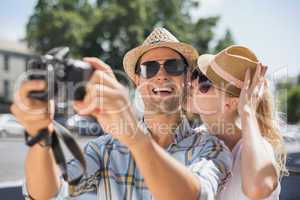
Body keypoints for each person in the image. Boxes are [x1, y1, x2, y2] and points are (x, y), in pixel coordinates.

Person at [11, 27, 232, 200]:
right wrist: (40, 133)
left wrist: (134, 137)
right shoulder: (103, 149)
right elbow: (47, 195)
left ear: (187, 79)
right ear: (138, 80)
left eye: (173, 66)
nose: (161, 75)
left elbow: (195, 197)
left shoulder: (210, 147)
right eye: (149, 69)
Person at [187, 45, 287, 200]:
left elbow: (259, 188)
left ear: (231, 103)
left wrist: (247, 111)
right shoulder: (194, 138)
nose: (193, 83)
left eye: (204, 83)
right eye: (195, 75)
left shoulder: (260, 149)